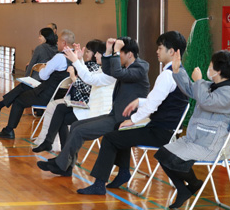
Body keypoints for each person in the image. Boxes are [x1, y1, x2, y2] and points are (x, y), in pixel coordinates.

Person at [75, 31, 189, 195]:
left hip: (159, 132)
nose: (157, 51)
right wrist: (139, 102)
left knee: (111, 136)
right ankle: (122, 173)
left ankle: (100, 184)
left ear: (171, 51)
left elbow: (153, 105)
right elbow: (160, 101)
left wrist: (133, 120)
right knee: (119, 128)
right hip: (166, 129)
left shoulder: (167, 75)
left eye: (160, 48)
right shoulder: (180, 73)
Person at [37, 36, 150, 176]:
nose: (98, 56)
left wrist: (111, 52)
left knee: (78, 129)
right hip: (113, 114)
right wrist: (109, 51)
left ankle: (62, 165)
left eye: (120, 52)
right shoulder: (124, 67)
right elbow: (107, 71)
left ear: (129, 54)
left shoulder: (139, 68)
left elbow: (104, 75)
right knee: (75, 126)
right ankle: (64, 165)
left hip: (122, 119)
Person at [154, 50, 230, 209]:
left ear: (218, 71)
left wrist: (198, 81)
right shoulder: (208, 85)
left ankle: (189, 185)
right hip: (193, 138)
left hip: (211, 145)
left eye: (211, 66)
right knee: (162, 154)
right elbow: (190, 89)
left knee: (174, 159)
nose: (208, 68)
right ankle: (188, 186)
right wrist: (178, 70)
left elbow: (207, 102)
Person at [0, 29, 76, 139]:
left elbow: (43, 76)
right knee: (24, 86)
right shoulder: (75, 57)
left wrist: (42, 68)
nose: (57, 43)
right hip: (59, 95)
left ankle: (8, 128)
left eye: (59, 41)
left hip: (47, 95)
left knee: (19, 100)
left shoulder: (60, 57)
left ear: (64, 43)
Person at [33, 39, 115, 152]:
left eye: (95, 52)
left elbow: (88, 81)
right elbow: (88, 75)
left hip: (94, 110)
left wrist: (75, 65)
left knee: (59, 113)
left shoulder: (108, 73)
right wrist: (79, 59)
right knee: (59, 109)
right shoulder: (101, 69)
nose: (95, 55)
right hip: (88, 105)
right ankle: (52, 144)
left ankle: (60, 150)